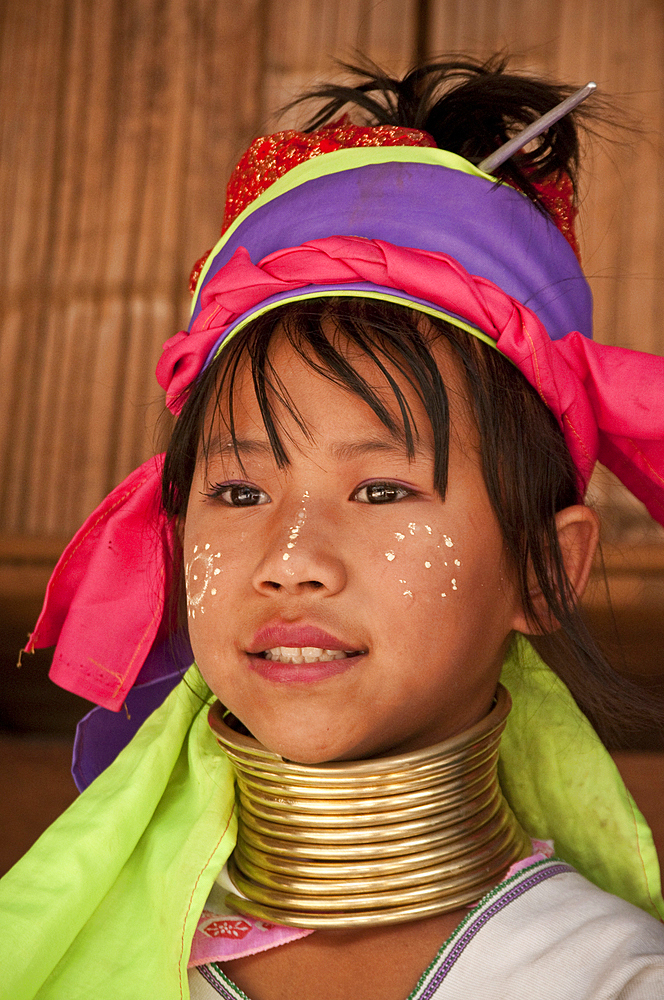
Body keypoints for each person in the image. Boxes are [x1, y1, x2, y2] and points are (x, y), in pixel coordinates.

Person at [2, 56, 664, 1000]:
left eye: (383, 491)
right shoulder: (58, 951)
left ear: (543, 570)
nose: (289, 560)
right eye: (237, 494)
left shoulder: (613, 982)